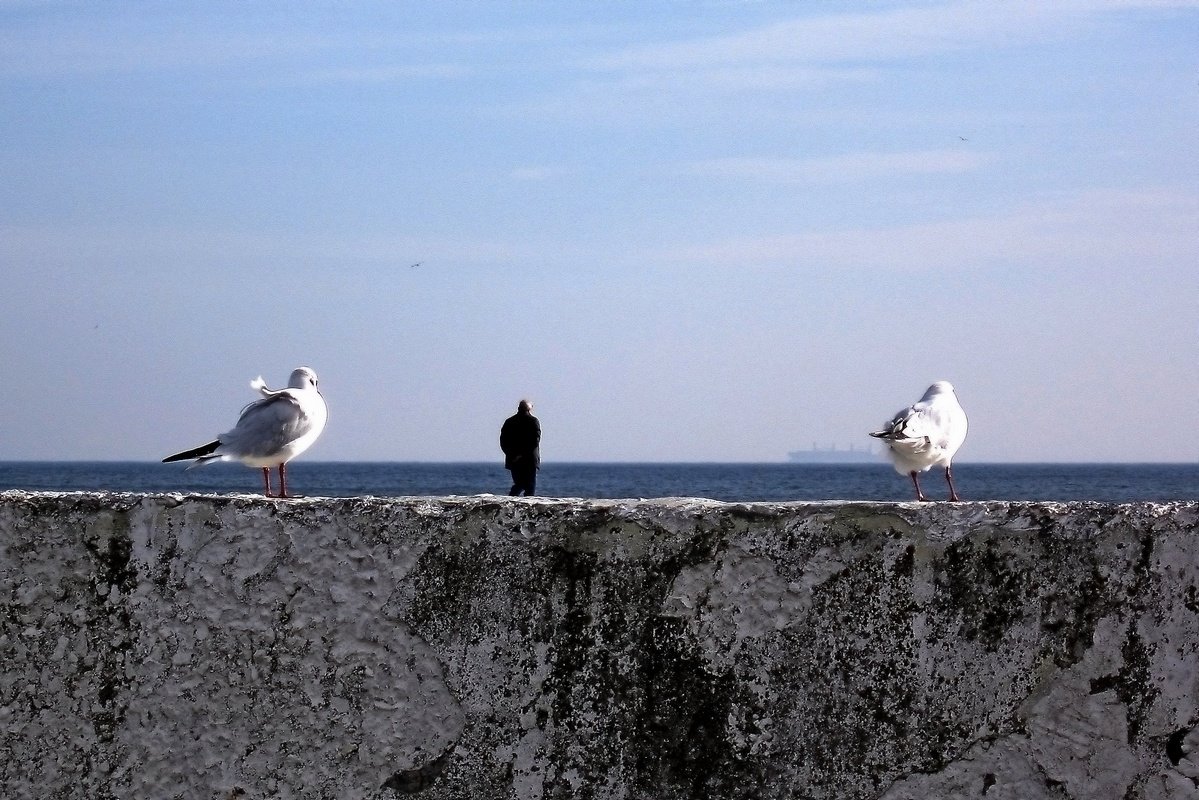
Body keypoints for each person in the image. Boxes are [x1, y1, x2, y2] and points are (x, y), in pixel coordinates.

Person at [500, 399, 541, 496]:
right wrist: (522, 454)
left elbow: (503, 441)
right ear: (529, 410)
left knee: (520, 483)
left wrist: (512, 454)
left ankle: (511, 500)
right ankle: (523, 505)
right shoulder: (533, 421)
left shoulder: (509, 422)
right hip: (529, 459)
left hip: (514, 459)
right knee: (529, 485)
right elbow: (535, 440)